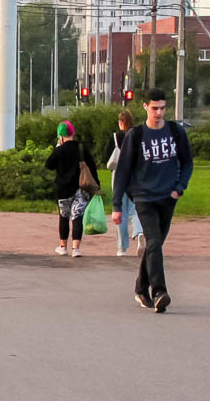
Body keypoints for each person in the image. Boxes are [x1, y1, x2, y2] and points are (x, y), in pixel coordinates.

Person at [111, 89, 194, 314]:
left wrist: (179, 188)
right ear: (146, 107)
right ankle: (159, 292)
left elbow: (187, 163)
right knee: (153, 242)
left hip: (168, 197)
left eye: (162, 108)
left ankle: (140, 287)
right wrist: (117, 206)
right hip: (144, 197)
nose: (159, 112)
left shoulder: (176, 132)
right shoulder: (135, 135)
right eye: (154, 108)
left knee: (155, 246)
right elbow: (123, 172)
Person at [44, 120, 99, 257]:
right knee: (77, 217)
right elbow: (92, 167)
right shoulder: (81, 148)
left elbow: (49, 165)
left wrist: (57, 147)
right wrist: (97, 185)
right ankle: (76, 249)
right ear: (72, 133)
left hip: (63, 190)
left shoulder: (60, 150)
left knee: (64, 217)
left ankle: (63, 247)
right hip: (82, 189)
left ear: (60, 135)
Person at [108, 109, 145, 257]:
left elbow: (107, 157)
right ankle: (140, 233)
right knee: (135, 210)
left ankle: (121, 248)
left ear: (121, 123)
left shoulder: (116, 137)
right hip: (135, 176)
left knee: (120, 212)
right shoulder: (138, 136)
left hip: (118, 176)